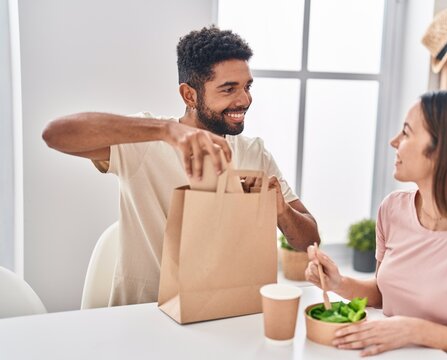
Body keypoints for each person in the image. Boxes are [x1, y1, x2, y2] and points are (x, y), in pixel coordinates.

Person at [43, 27, 320, 306]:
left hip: (224, 316)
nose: (244, 100)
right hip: (144, 315)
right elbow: (55, 134)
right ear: (189, 95)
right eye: (228, 89)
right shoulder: (145, 143)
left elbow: (309, 241)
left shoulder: (254, 153)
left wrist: (281, 210)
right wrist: (165, 130)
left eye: (247, 87)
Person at [305, 91, 447, 359]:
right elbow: (384, 292)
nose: (394, 142)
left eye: (407, 133)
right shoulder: (392, 209)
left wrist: (417, 331)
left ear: (444, 150)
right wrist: (339, 283)